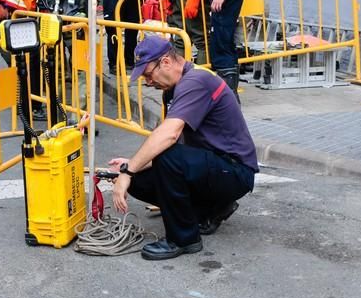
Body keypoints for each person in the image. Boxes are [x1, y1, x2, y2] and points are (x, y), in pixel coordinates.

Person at [108, 35, 257, 260]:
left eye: (148, 74)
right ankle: (211, 209)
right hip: (212, 166)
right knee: (139, 181)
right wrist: (129, 169)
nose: (148, 82)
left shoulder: (196, 81)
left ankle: (183, 239)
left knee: (166, 159)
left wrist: (129, 171)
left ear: (166, 62)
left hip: (235, 171)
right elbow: (166, 142)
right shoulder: (173, 89)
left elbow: (169, 136)